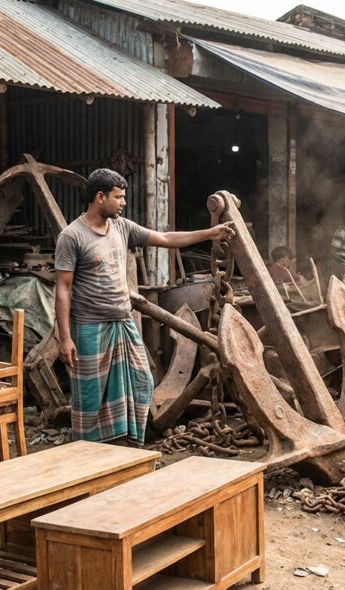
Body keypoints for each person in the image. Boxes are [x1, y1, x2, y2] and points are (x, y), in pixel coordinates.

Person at [55, 168, 233, 444]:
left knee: (141, 383)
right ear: (100, 197)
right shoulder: (72, 236)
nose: (123, 202)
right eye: (119, 197)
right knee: (90, 396)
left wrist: (210, 233)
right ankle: (86, 454)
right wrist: (65, 338)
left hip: (122, 324)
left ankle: (124, 444)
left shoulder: (123, 227)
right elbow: (63, 289)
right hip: (90, 327)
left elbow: (165, 239)